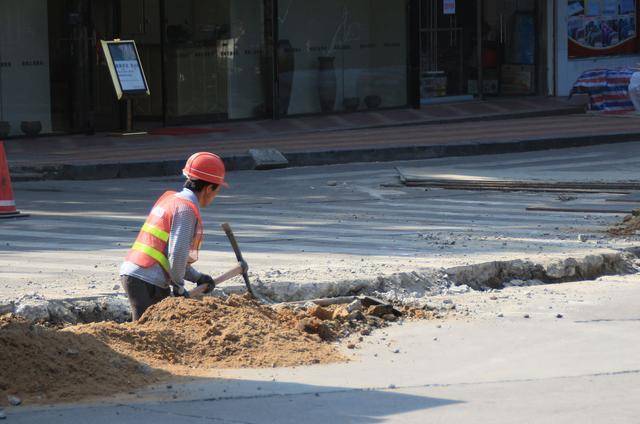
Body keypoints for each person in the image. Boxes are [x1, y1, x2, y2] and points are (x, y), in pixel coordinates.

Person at [120, 152, 228, 320]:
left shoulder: (172, 200)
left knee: (149, 330)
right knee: (147, 333)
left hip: (136, 273)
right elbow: (177, 254)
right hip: (147, 280)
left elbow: (168, 253)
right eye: (217, 191)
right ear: (208, 188)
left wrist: (197, 277)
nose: (215, 196)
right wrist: (179, 287)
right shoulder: (186, 210)